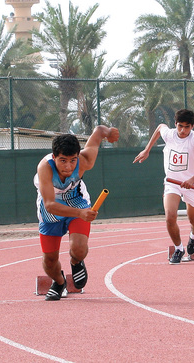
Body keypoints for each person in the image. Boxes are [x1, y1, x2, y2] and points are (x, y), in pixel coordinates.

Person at [35, 125, 120, 301]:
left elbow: (97, 132)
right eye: (63, 160)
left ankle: (76, 262)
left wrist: (109, 132)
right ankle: (59, 282)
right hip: (51, 210)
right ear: (54, 157)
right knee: (50, 260)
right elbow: (50, 205)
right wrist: (80, 214)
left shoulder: (84, 161)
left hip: (78, 201)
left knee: (78, 250)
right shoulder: (45, 168)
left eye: (72, 160)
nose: (68, 166)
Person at [133, 109, 194, 264]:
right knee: (170, 216)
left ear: (192, 126)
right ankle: (178, 249)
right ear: (175, 124)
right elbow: (160, 127)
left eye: (187, 127)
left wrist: (192, 179)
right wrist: (147, 150)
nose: (182, 130)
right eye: (180, 126)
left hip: (192, 185)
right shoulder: (170, 134)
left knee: (193, 219)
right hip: (172, 183)